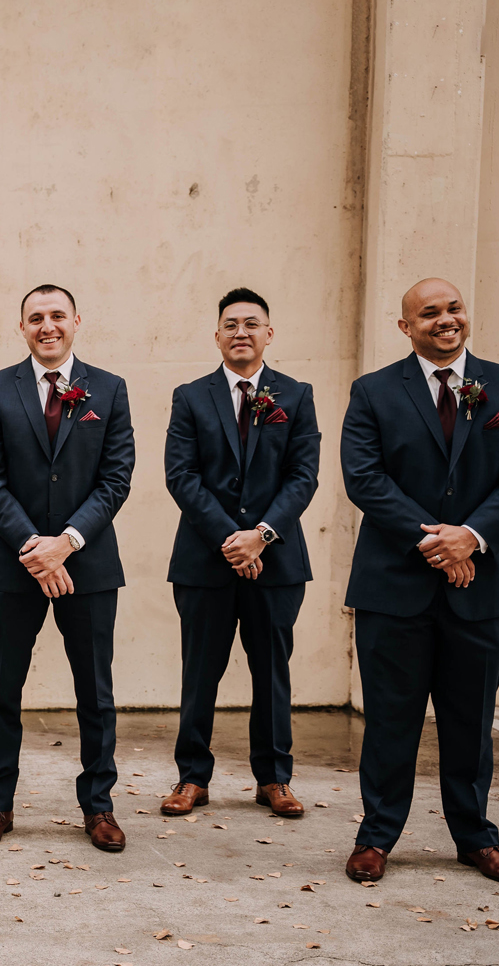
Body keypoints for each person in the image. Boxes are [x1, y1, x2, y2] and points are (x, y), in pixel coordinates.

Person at [341, 278, 499, 885]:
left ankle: (475, 839)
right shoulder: (373, 391)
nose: (445, 319)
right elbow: (365, 478)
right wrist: (436, 540)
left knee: (470, 718)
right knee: (390, 718)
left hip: (482, 586)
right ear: (406, 327)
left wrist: (472, 537)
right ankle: (377, 837)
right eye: (428, 313)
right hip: (393, 585)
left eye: (453, 308)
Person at [0, 284, 135, 853]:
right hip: (12, 566)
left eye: (57, 315)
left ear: (76, 321)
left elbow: (116, 479)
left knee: (96, 692)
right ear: (22, 327)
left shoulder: (109, 390)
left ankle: (100, 806)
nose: (47, 326)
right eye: (35, 317)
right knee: (2, 692)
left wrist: (65, 543)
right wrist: (33, 549)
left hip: (87, 565)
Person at [160, 288, 320, 820]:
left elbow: (303, 476)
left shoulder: (295, 396)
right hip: (206, 561)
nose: (241, 332)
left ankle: (274, 778)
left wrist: (263, 535)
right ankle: (191, 777)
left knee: (272, 671)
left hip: (276, 563)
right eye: (230, 324)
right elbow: (180, 476)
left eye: (252, 323)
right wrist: (233, 539)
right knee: (199, 670)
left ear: (269, 334)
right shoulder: (191, 396)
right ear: (218, 336)